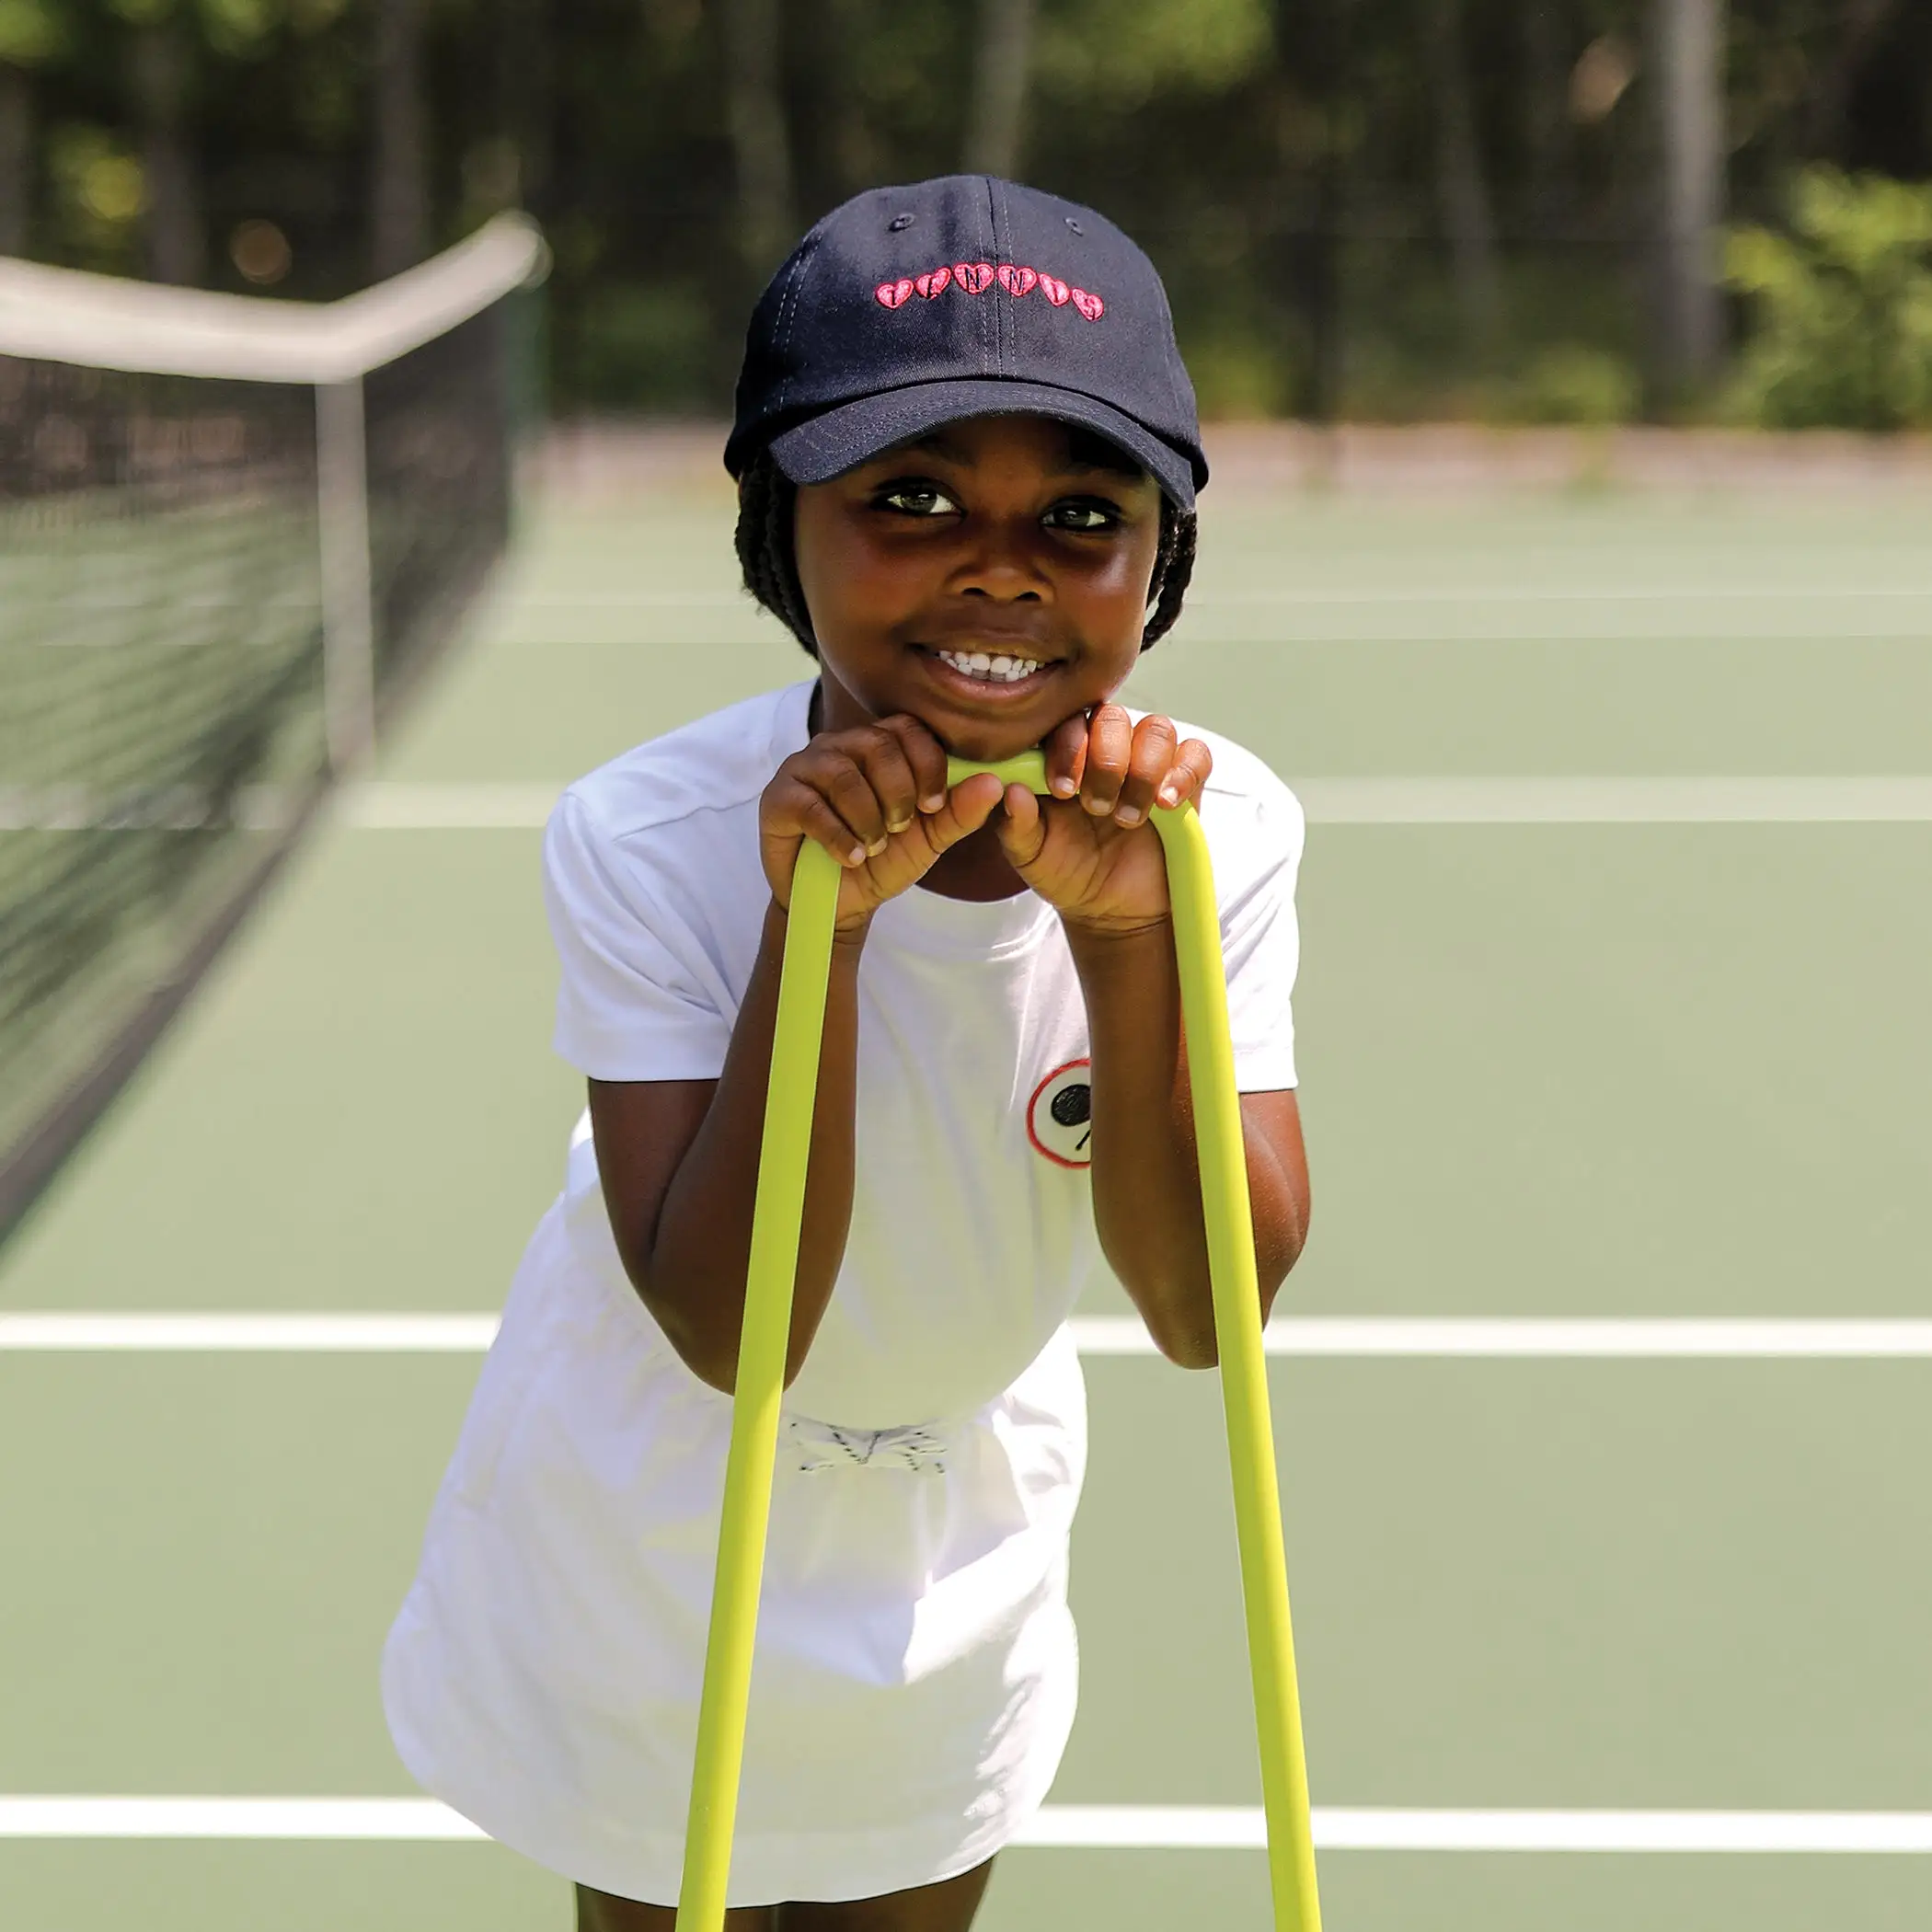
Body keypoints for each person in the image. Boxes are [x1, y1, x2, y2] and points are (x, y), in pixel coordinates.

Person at [383, 174, 1311, 1931]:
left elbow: (1210, 1314)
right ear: (773, 524)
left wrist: (1125, 944)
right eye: (910, 495)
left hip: (955, 1508)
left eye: (1083, 516)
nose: (997, 565)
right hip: (660, 1505)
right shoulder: (648, 835)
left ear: (1158, 558)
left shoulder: (1218, 836)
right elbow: (736, 1336)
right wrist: (834, 921)